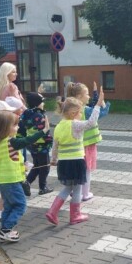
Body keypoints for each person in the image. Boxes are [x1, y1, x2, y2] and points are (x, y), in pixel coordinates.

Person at [45, 89, 105, 226]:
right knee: (77, 188)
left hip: (64, 163)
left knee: (67, 188)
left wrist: (53, 159)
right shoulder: (75, 124)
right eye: (79, 113)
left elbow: (55, 145)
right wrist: (97, 105)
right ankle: (75, 215)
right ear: (73, 113)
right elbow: (91, 123)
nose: (80, 115)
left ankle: (53, 211)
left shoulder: (59, 126)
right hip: (76, 161)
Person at [0, 110, 46, 242]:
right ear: (5, 128)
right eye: (15, 125)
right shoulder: (11, 142)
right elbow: (28, 140)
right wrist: (43, 131)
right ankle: (6, 230)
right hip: (11, 181)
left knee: (9, 206)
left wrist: (21, 166)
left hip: (2, 181)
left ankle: (4, 231)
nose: (18, 127)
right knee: (20, 205)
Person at [65, 82, 110, 201]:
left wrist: (96, 95)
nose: (89, 96)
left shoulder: (72, 110)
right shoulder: (87, 110)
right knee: (87, 170)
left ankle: (76, 192)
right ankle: (85, 194)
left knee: (79, 171)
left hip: (77, 146)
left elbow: (93, 105)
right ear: (79, 96)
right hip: (88, 145)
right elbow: (102, 112)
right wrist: (102, 100)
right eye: (87, 94)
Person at [19, 92, 53, 195]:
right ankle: (43, 187)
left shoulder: (26, 113)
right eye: (42, 102)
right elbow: (44, 132)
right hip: (42, 146)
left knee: (37, 165)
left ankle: (27, 182)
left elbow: (21, 129)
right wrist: (49, 142)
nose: (43, 104)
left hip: (31, 145)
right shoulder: (39, 116)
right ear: (37, 103)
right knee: (45, 167)